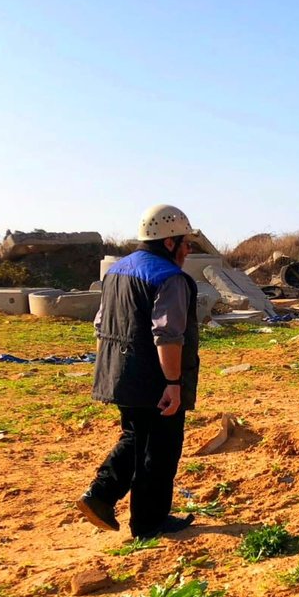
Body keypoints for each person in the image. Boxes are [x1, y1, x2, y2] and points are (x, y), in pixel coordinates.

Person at [76, 204, 201, 537]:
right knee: (160, 449)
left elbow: (100, 323)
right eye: (186, 243)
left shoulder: (117, 270)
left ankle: (102, 498)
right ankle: (146, 520)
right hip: (153, 380)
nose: (189, 250)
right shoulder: (170, 278)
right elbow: (168, 335)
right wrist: (173, 383)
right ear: (169, 242)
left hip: (118, 373)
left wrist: (113, 367)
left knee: (137, 438)